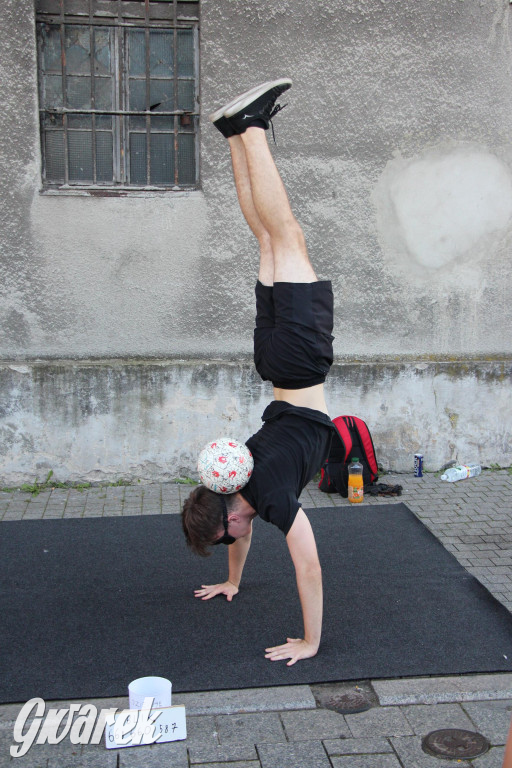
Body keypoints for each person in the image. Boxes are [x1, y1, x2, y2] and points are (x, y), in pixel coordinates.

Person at [181, 79, 335, 666]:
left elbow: (310, 565)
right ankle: (234, 135)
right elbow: (241, 533)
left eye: (228, 535)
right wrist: (234, 582)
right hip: (274, 364)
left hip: (298, 359)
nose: (236, 540)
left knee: (286, 235)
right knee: (269, 242)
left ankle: (249, 128)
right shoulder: (239, 481)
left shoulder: (266, 496)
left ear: (229, 512)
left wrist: (311, 641)